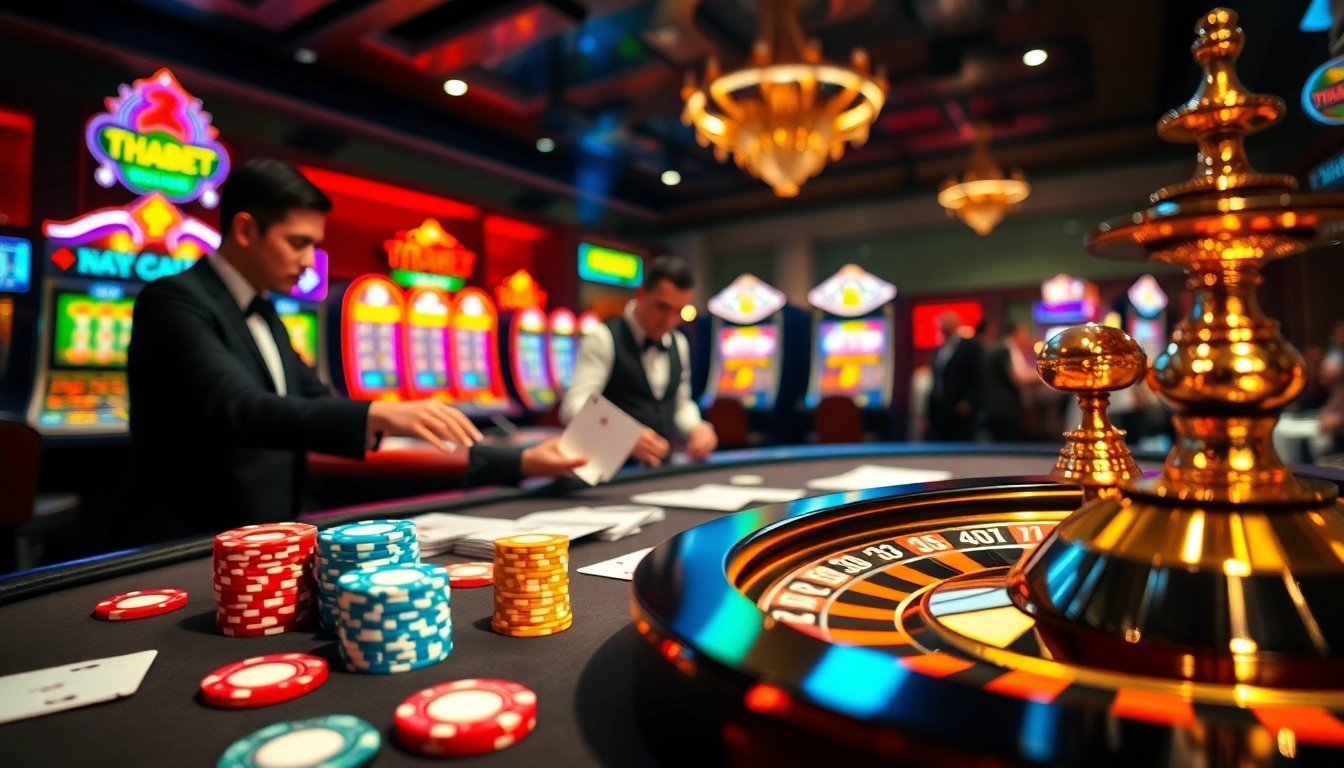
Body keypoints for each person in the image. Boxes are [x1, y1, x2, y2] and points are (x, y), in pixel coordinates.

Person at [126, 159, 584, 542]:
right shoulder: (175, 300)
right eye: (297, 242)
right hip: (189, 542)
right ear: (245, 230)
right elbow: (242, 409)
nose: (308, 261)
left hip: (268, 536)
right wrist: (380, 413)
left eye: (314, 245)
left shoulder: (263, 311)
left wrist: (514, 460)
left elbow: (323, 408)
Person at [559, 256, 717, 466]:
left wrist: (696, 427)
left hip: (661, 470)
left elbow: (680, 404)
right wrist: (623, 435)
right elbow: (573, 407)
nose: (669, 321)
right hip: (612, 473)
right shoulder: (602, 337)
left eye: (678, 311)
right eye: (661, 307)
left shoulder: (679, 343)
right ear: (640, 293)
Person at [927, 311, 982, 441]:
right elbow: (936, 380)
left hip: (961, 410)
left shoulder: (969, 346)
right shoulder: (938, 350)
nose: (942, 326)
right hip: (940, 411)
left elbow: (979, 377)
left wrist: (969, 401)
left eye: (946, 323)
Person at [981, 321, 1037, 442]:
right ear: (1016, 333)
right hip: (1003, 409)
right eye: (1025, 333)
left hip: (997, 408)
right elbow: (1018, 377)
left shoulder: (1001, 347)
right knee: (1006, 447)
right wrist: (1043, 376)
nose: (1027, 337)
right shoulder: (1004, 349)